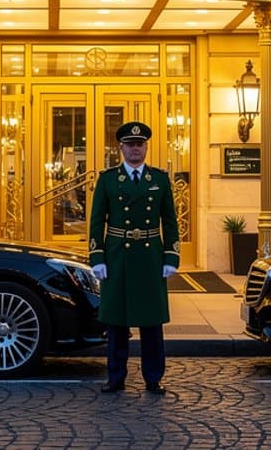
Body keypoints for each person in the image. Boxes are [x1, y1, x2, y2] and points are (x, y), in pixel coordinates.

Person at [88, 120, 180, 396]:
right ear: (121, 148)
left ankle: (153, 378)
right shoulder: (107, 180)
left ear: (146, 147)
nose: (135, 150)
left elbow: (170, 221)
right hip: (117, 257)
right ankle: (116, 377)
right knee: (117, 322)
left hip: (150, 256)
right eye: (130, 145)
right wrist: (97, 257)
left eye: (140, 145)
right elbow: (96, 222)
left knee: (151, 323)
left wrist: (170, 257)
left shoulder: (160, 180)